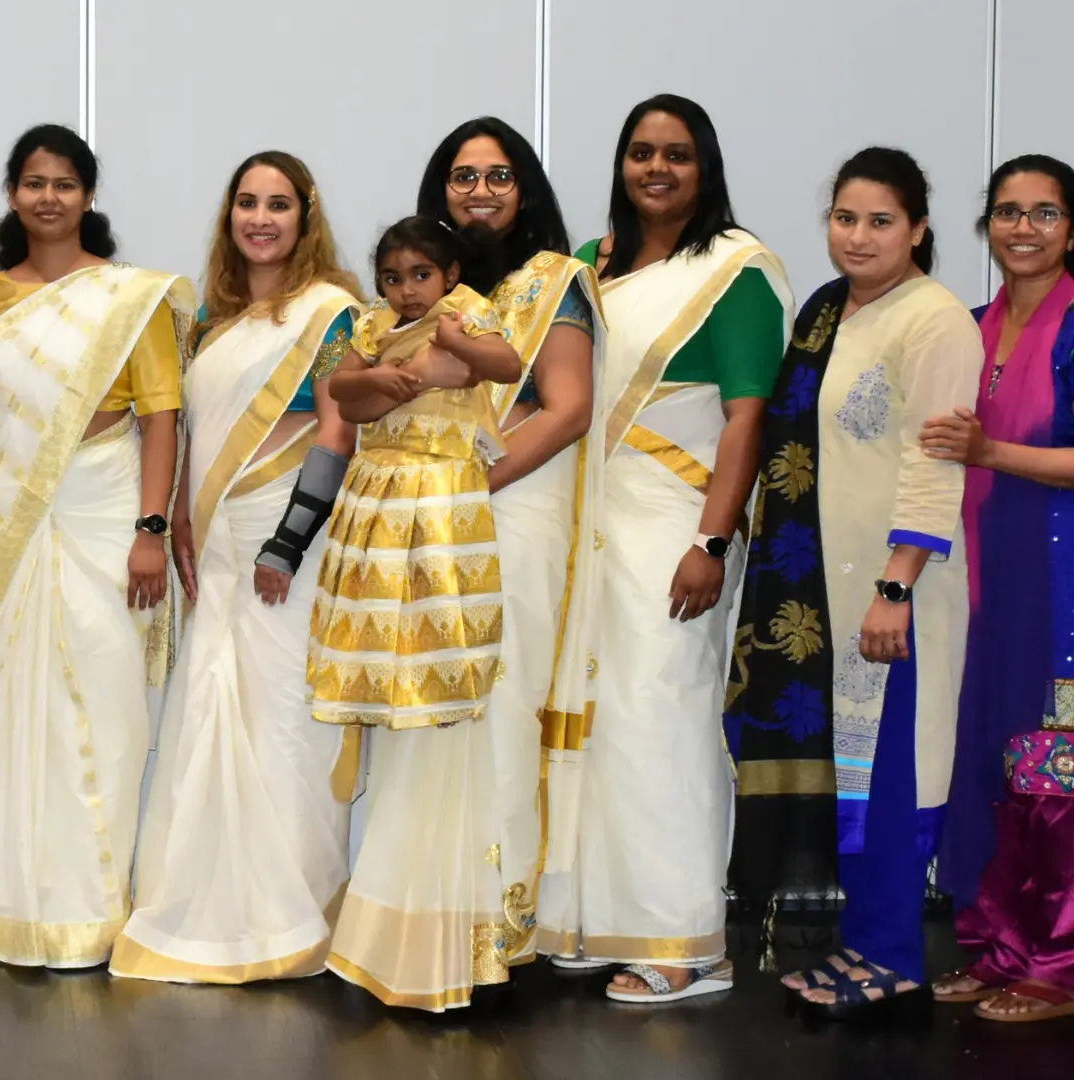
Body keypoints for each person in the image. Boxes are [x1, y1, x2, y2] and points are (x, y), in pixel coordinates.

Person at [542, 93, 792, 1003]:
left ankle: (686, 941)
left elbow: (745, 420)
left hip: (675, 524)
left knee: (664, 719)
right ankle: (595, 917)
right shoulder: (586, 265)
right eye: (641, 152)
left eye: (676, 154)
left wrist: (711, 541)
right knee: (592, 718)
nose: (656, 168)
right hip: (588, 525)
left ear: (705, 165)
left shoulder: (736, 270)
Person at [726, 147, 979, 1022]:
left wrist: (897, 584)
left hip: (897, 588)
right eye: (845, 218)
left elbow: (932, 465)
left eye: (881, 221)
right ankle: (867, 944)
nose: (859, 236)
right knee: (860, 773)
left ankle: (896, 955)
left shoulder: (936, 320)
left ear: (919, 230)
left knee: (899, 772)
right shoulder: (829, 310)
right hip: (826, 589)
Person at [110, 151, 362, 984]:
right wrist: (179, 512)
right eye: (247, 203)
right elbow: (188, 436)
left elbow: (336, 431)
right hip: (214, 547)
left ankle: (291, 911)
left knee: (283, 722)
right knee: (209, 713)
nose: (261, 218)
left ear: (305, 217)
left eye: (278, 205)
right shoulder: (210, 322)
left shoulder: (331, 314)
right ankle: (206, 908)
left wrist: (289, 538)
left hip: (287, 542)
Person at [0, 124, 193, 968]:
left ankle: (92, 907)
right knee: (14, 704)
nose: (48, 198)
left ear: (88, 196)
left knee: (104, 700)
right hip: (8, 516)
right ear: (13, 193)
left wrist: (150, 530)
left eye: (64, 183)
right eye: (32, 182)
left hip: (105, 508)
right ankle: (7, 905)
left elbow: (162, 416)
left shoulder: (130, 296)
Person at [308, 216, 522, 1010]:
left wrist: (451, 351)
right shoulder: (370, 324)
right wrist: (393, 381)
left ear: (450, 273)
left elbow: (504, 362)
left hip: (442, 497)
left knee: (442, 655)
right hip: (378, 496)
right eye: (394, 276)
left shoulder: (467, 313)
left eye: (419, 275)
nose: (405, 290)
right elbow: (343, 392)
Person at [416, 117, 603, 973]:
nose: (479, 192)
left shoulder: (555, 283)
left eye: (497, 176)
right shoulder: (427, 291)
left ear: (524, 190)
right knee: (431, 714)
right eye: (462, 177)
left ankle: (495, 935)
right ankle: (426, 922)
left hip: (513, 517)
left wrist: (471, 487)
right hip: (430, 528)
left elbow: (566, 410)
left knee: (499, 711)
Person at [922, 153, 1074, 1023]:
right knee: (986, 761)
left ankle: (1055, 963)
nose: (1024, 228)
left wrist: (991, 454)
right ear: (986, 227)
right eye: (1009, 212)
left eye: (1045, 213)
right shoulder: (968, 326)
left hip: (1055, 587)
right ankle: (998, 945)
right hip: (974, 584)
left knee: (1050, 770)